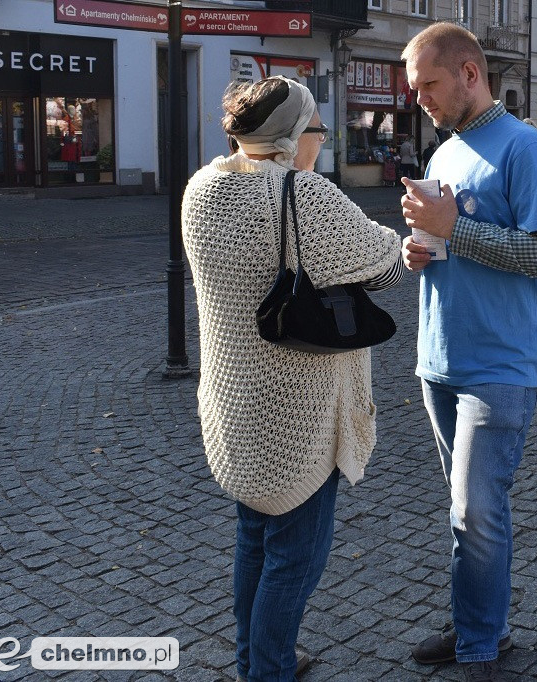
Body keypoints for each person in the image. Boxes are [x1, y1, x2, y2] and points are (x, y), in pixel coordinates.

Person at [181, 76, 402, 682]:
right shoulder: (304, 195)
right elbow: (384, 263)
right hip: (295, 411)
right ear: (289, 135)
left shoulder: (202, 188)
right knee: (294, 557)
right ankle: (270, 668)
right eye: (316, 128)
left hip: (232, 404)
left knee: (254, 536)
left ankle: (254, 657)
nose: (323, 139)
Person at [398, 23, 537, 682]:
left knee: (476, 509)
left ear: (470, 71)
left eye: (430, 86)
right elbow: (447, 243)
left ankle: (477, 649)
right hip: (438, 358)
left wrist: (456, 230)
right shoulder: (444, 153)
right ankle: (479, 622)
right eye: (415, 91)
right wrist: (420, 247)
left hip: (501, 364)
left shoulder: (527, 149)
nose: (423, 102)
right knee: (466, 509)